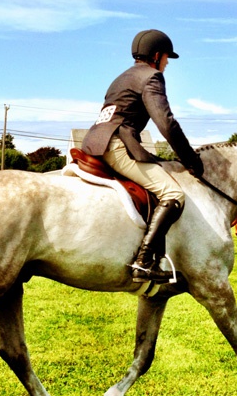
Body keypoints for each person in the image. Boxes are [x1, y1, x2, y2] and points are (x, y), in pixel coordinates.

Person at [82, 29, 204, 283]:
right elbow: (166, 124)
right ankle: (144, 261)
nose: (168, 63)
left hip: (94, 142)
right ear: (157, 55)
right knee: (173, 194)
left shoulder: (121, 78)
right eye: (167, 57)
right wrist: (190, 159)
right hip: (116, 145)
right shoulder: (152, 77)